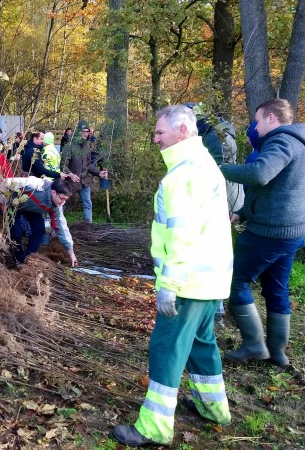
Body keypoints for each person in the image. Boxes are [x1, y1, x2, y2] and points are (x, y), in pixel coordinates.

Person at [113, 104, 232, 447]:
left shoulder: (182, 175)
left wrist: (168, 286)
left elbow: (181, 236)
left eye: (160, 132)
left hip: (188, 283)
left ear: (182, 131)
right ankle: (215, 409)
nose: (155, 139)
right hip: (210, 281)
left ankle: (153, 427)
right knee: (200, 344)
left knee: (166, 350)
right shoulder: (205, 164)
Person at [219, 98, 305, 367]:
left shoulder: (281, 141)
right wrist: (244, 212)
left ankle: (253, 345)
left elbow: (261, 174)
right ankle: (277, 352)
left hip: (270, 233)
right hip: (292, 231)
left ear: (272, 119)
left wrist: (218, 171)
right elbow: (278, 190)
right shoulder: (299, 143)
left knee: (236, 280)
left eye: (258, 120)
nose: (256, 126)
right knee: (276, 290)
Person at [8, 177, 78, 267]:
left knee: (40, 229)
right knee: (16, 233)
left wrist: (71, 254)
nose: (63, 202)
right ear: (53, 192)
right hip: (14, 205)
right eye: (62, 198)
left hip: (33, 209)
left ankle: (26, 259)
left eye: (65, 200)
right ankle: (17, 258)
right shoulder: (34, 186)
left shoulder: (56, 206)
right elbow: (8, 183)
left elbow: (62, 227)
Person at [62, 125, 108, 224]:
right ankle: (58, 226)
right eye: (83, 131)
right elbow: (63, 165)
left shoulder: (87, 146)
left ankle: (88, 227)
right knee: (64, 205)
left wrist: (99, 173)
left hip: (84, 181)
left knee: (87, 204)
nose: (85, 134)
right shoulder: (69, 146)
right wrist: (71, 175)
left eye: (87, 132)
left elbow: (88, 166)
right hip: (71, 183)